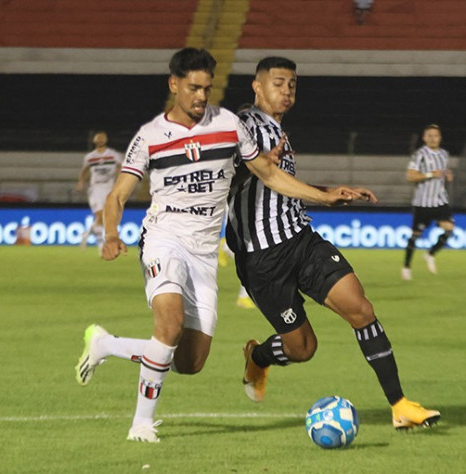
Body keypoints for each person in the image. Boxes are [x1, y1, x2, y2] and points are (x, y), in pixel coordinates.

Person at [74, 48, 363, 443]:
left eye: (207, 89)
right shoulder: (151, 136)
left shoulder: (228, 125)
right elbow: (117, 196)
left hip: (204, 251)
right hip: (164, 237)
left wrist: (324, 196)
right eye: (193, 87)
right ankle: (142, 423)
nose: (200, 96)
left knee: (189, 362)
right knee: (169, 325)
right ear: (174, 84)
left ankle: (106, 344)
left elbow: (270, 175)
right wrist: (110, 234)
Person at [227, 56, 441, 430]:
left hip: (300, 239)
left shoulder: (279, 131)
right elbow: (230, 181)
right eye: (278, 83)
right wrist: (262, 171)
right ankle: (258, 356)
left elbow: (281, 190)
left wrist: (329, 191)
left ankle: (400, 405)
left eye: (292, 84)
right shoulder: (242, 126)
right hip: (263, 259)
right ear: (257, 87)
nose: (287, 90)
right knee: (303, 349)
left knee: (360, 308)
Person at [402, 124, 455, 280]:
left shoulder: (445, 154)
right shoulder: (420, 155)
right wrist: (430, 174)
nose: (433, 138)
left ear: (440, 138)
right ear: (424, 138)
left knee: (450, 229)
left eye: (435, 135)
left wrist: (448, 177)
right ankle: (406, 266)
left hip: (440, 200)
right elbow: (410, 176)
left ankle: (430, 254)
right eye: (429, 135)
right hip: (422, 203)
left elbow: (442, 175)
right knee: (415, 236)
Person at [75, 131, 123, 253]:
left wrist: (120, 178)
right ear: (94, 141)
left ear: (106, 139)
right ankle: (100, 245)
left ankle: (87, 234)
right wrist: (81, 181)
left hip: (109, 188)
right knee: (100, 215)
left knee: (103, 217)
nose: (100, 139)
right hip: (95, 189)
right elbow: (84, 170)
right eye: (98, 138)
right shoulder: (90, 157)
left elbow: (122, 167)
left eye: (102, 137)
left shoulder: (113, 155)